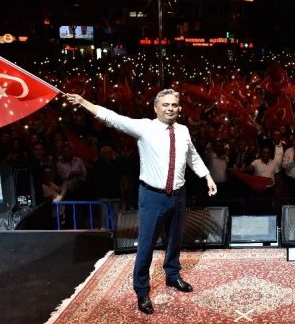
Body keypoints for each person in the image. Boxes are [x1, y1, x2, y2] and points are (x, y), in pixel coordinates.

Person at [66, 89, 217, 316]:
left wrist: (207, 176)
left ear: (179, 108)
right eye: (165, 105)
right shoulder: (144, 127)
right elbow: (112, 118)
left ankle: (172, 275)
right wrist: (83, 102)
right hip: (153, 197)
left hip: (178, 195)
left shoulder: (183, 131)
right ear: (155, 108)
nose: (170, 108)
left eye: (174, 105)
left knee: (175, 239)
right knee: (146, 245)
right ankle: (142, 290)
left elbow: (192, 156)